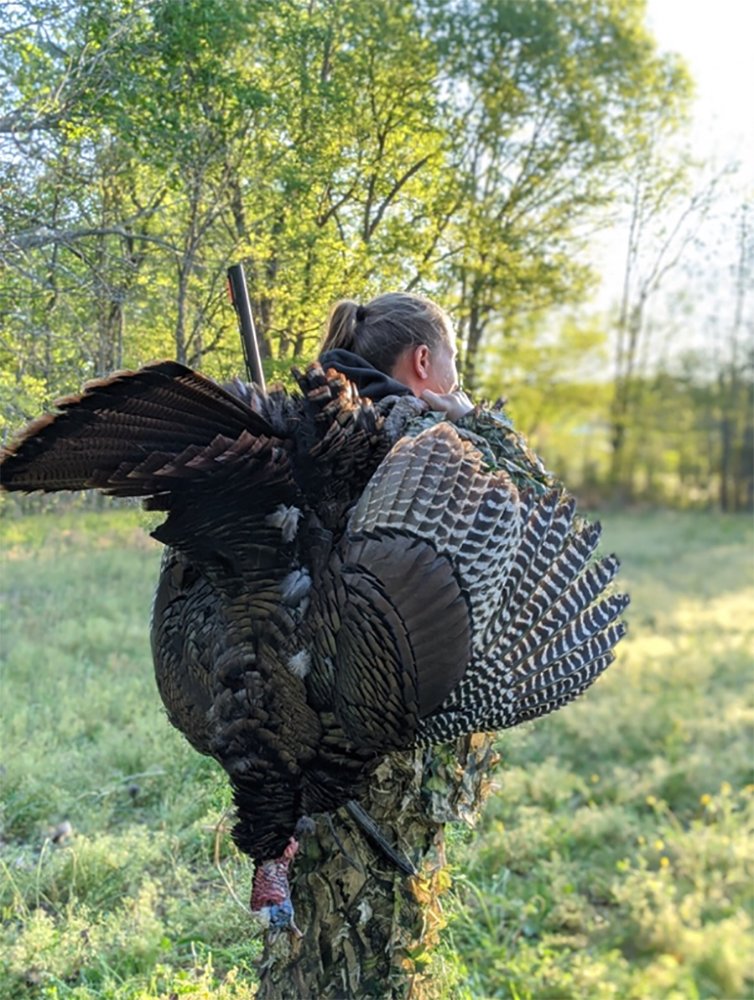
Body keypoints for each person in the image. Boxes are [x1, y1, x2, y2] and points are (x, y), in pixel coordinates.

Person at [319, 292, 474, 421]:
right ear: (422, 361)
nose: (456, 384)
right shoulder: (427, 443)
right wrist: (472, 422)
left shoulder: (317, 419)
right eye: (453, 358)